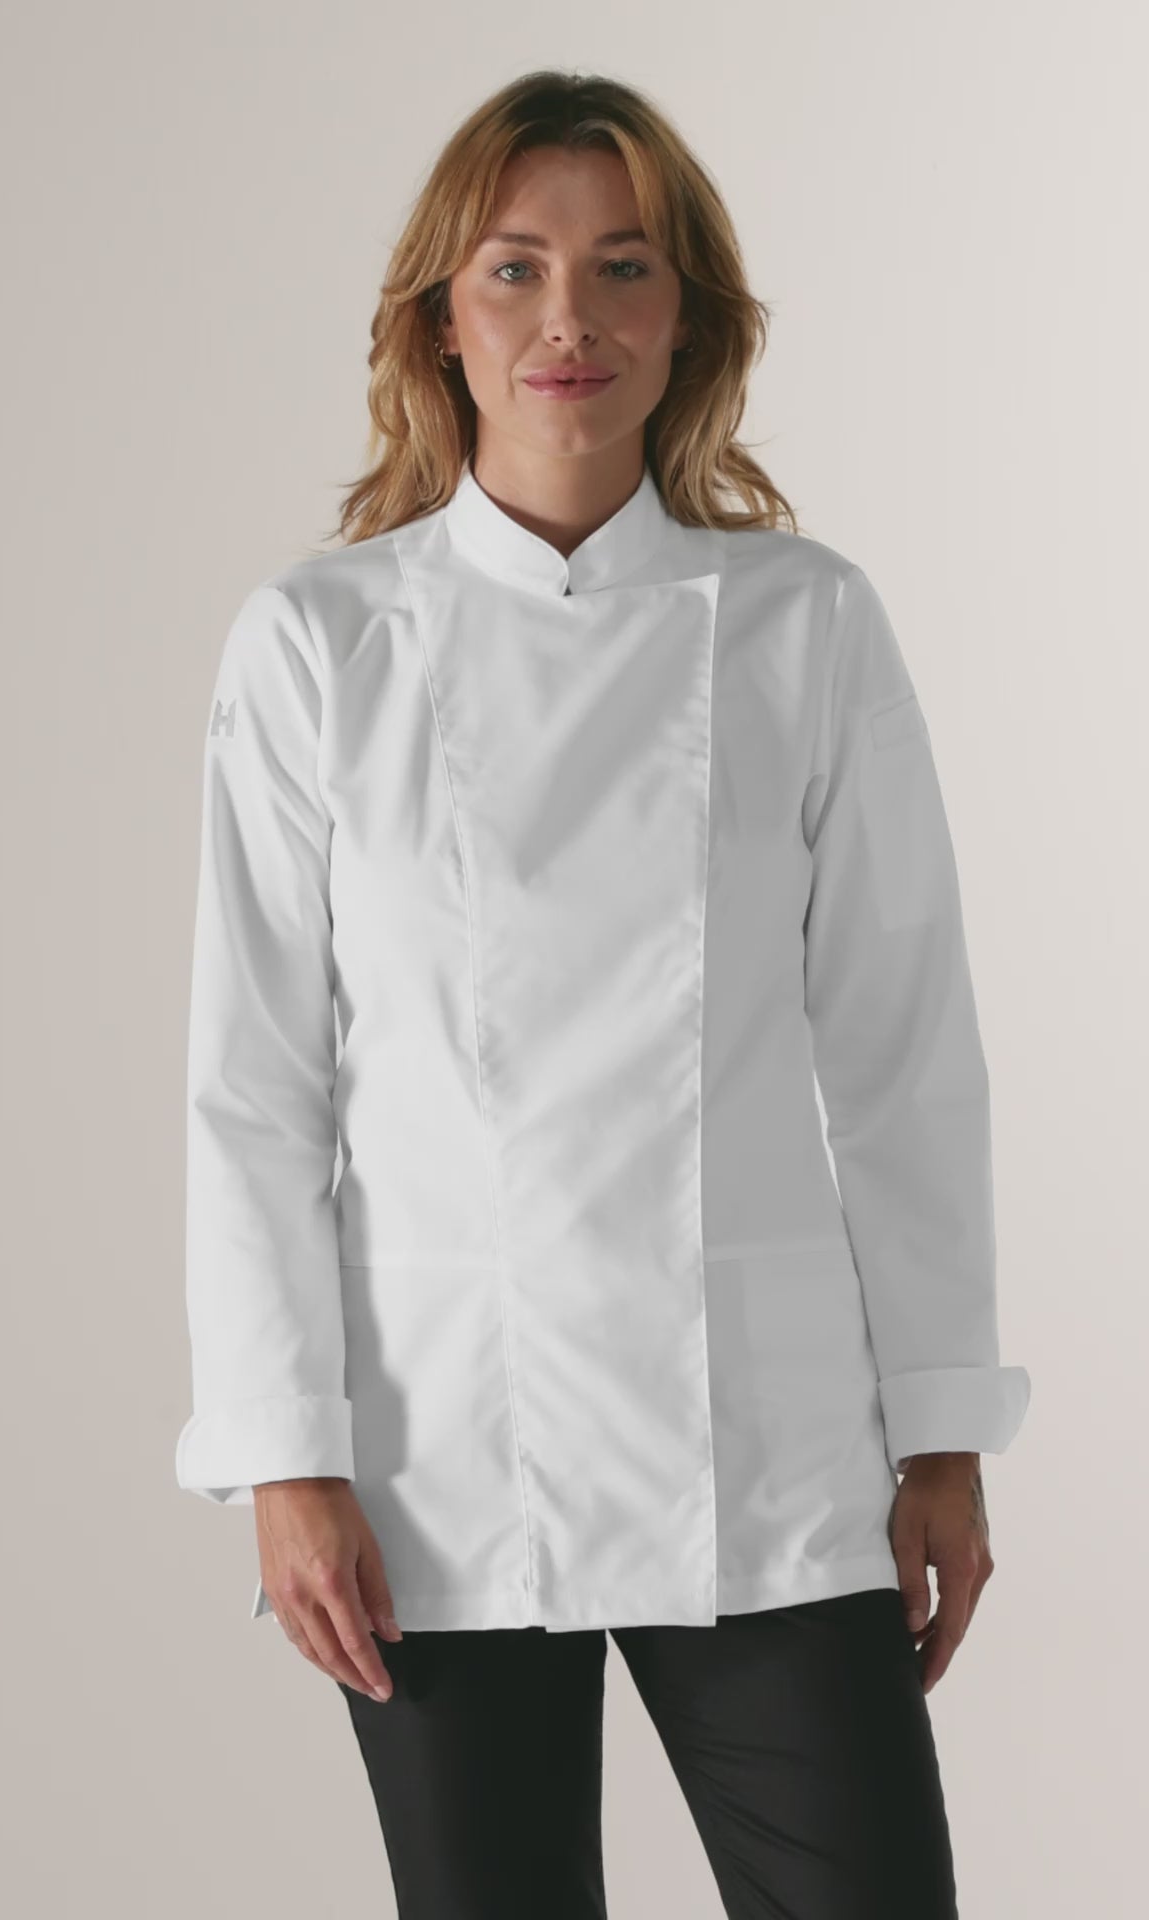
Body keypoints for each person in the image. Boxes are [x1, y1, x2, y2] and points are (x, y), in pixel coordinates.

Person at [175, 67, 1031, 1920]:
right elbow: (255, 1086)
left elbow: (904, 1059)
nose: (569, 318)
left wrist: (941, 1426)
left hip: (767, 1448)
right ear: (441, 319)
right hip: (440, 1457)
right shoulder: (320, 645)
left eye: (623, 268)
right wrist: (281, 1456)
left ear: (687, 316)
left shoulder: (806, 625)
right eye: (516, 269)